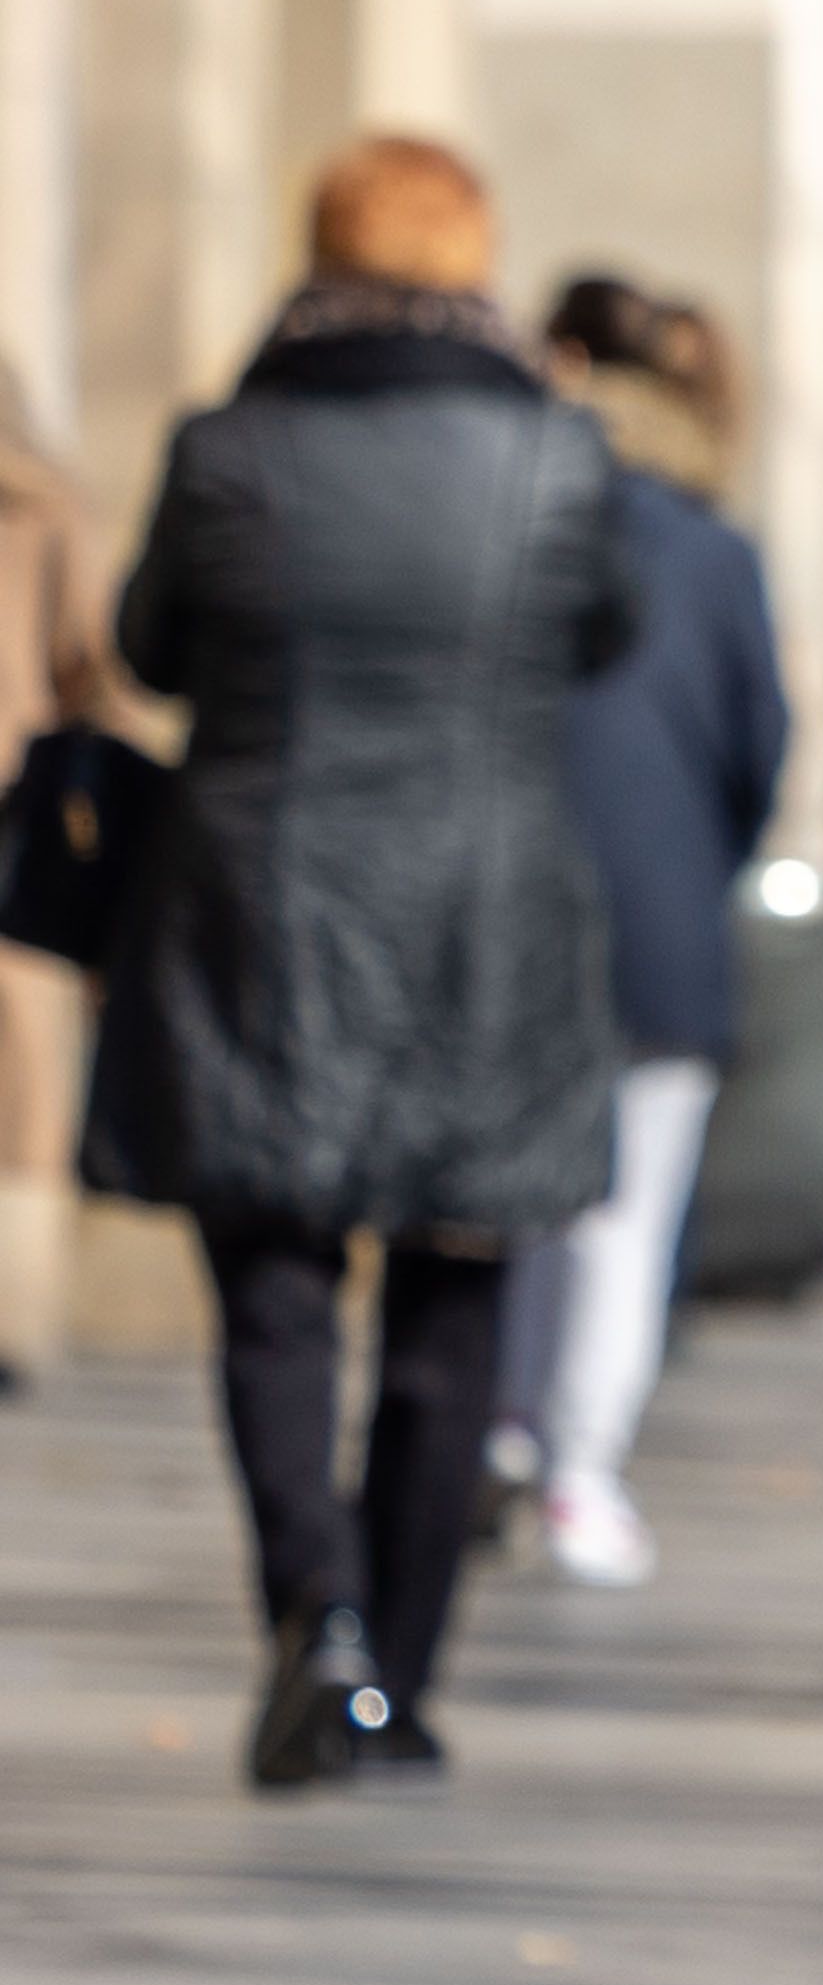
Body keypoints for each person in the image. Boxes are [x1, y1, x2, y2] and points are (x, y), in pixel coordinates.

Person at [92, 141, 642, 1785]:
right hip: (489, 904)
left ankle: (313, 1620)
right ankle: (396, 1673)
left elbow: (148, 650)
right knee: (453, 1289)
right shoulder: (559, 454)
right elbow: (601, 637)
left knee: (272, 1282)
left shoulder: (229, 447)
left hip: (263, 895)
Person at [501, 280, 793, 1585]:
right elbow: (758, 749)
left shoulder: (508, 514)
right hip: (664, 916)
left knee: (504, 1200)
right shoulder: (715, 552)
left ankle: (502, 1433)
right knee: (624, 1219)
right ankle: (579, 1470)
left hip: (510, 901)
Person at [0, 356, 117, 1407]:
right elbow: (95, 662)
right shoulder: (46, 508)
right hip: (15, 822)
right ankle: (14, 1318)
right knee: (24, 1097)